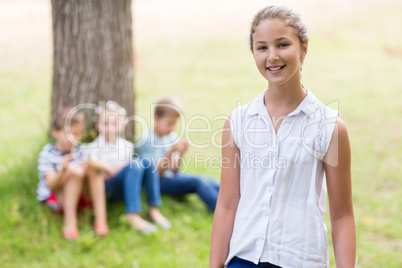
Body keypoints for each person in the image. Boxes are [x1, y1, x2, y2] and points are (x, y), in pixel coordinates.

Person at [209, 6, 356, 268]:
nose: (272, 56)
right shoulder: (239, 122)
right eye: (262, 47)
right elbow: (227, 204)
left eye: (282, 44)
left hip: (300, 260)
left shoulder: (329, 127)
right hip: (243, 258)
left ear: (304, 48)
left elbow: (342, 215)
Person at [79, 101, 170, 234]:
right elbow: (92, 172)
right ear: (98, 125)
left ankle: (153, 208)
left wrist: (123, 168)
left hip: (126, 185)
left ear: (122, 125)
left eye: (114, 124)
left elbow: (131, 171)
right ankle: (132, 214)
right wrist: (109, 169)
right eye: (105, 124)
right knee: (134, 164)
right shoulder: (92, 148)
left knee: (147, 159)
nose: (110, 128)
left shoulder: (127, 146)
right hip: (107, 187)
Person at [135, 97, 220, 212]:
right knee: (199, 182)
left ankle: (236, 201)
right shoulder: (146, 139)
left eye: (174, 124)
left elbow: (175, 170)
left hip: (171, 176)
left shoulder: (171, 136)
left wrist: (180, 153)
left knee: (207, 179)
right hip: (158, 183)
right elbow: (156, 174)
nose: (172, 128)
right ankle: (220, 209)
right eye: (169, 123)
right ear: (156, 118)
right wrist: (170, 152)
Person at [37, 107, 108, 240]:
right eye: (68, 133)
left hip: (81, 196)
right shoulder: (48, 153)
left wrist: (94, 165)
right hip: (58, 199)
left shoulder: (82, 150)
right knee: (75, 171)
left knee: (92, 169)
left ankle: (101, 221)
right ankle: (70, 224)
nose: (73, 138)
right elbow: (51, 185)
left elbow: (104, 172)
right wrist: (64, 171)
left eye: (78, 133)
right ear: (55, 132)